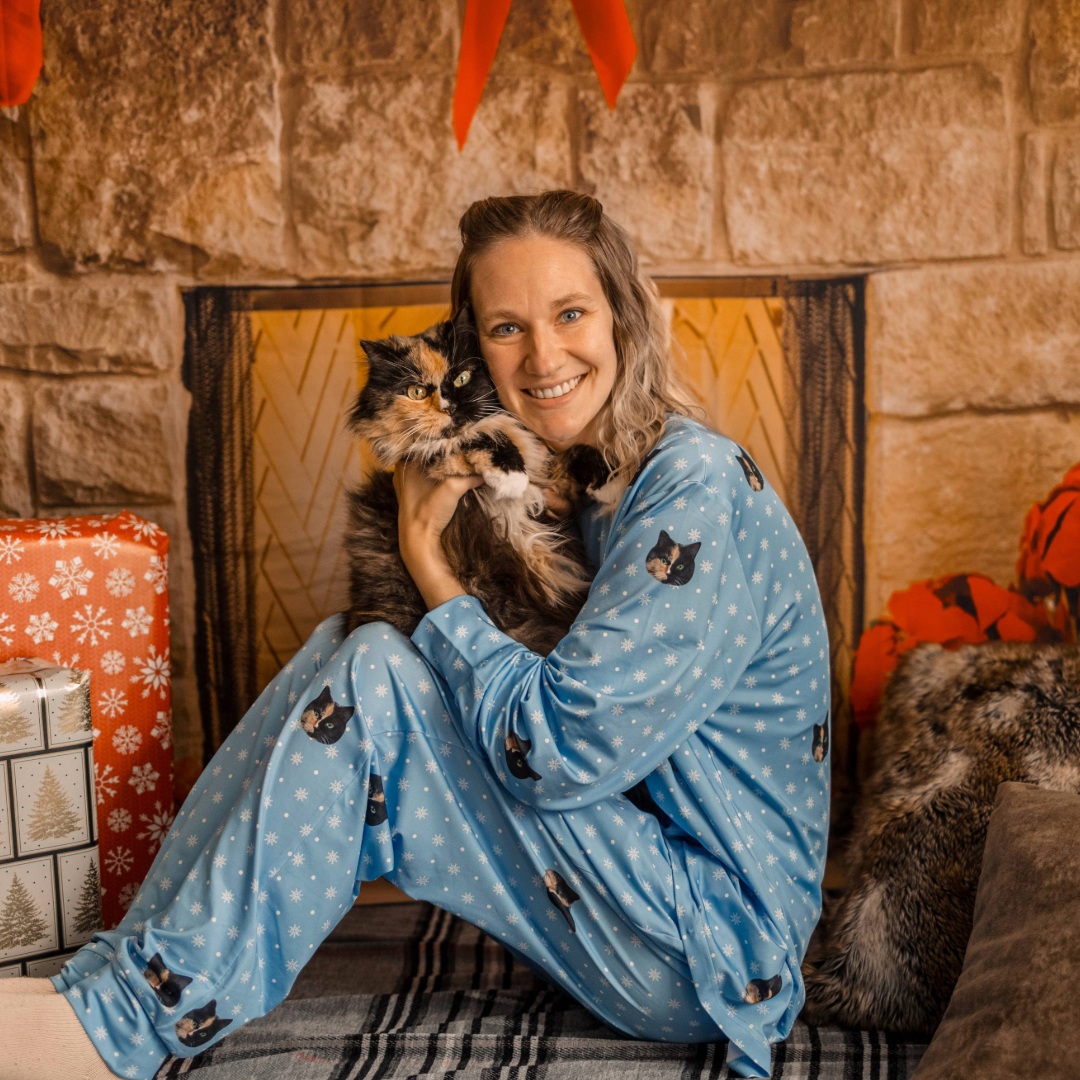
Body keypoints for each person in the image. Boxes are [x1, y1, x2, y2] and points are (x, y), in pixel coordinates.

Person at [4, 191, 830, 1080]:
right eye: (507, 327)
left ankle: (115, 1027)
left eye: (571, 313)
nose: (544, 355)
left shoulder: (691, 485)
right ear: (475, 345)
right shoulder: (593, 485)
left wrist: (424, 554)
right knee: (352, 643)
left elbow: (557, 754)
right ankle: (118, 977)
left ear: (622, 316)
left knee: (378, 672)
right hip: (636, 901)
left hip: (713, 952)